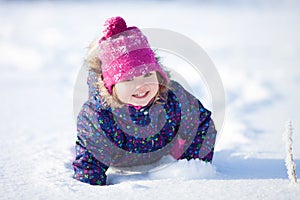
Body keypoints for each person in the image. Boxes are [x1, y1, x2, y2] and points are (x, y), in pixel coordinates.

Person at [72, 16, 217, 185]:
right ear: (110, 86)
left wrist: (192, 164)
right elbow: (90, 162)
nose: (141, 85)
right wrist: (92, 187)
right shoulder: (98, 116)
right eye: (128, 79)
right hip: (124, 170)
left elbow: (200, 124)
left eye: (147, 74)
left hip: (166, 161)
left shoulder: (173, 98)